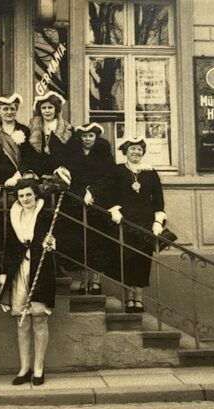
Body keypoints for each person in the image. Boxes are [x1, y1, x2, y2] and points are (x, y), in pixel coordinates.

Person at [0, 178, 57, 386]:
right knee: (22, 321)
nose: (25, 199)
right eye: (21, 195)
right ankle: (24, 367)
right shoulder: (14, 215)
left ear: (36, 195)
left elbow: (58, 237)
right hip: (19, 271)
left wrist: (52, 242)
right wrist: (4, 274)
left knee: (39, 319)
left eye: (29, 195)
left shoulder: (47, 215)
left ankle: (39, 368)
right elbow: (9, 246)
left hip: (40, 270)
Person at [108, 137, 166, 313]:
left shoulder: (150, 172)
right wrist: (114, 209)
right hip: (124, 222)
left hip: (145, 222)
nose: (136, 152)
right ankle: (128, 299)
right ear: (126, 151)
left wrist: (157, 221)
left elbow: (158, 200)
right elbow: (109, 192)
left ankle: (138, 299)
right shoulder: (118, 171)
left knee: (142, 259)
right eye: (132, 149)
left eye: (139, 149)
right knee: (126, 259)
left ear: (143, 152)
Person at [60, 123, 116, 294]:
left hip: (97, 203)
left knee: (96, 240)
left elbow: (109, 176)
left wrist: (92, 191)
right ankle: (84, 280)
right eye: (84, 136)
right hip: (76, 201)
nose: (87, 139)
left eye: (91, 136)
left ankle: (96, 280)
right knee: (80, 240)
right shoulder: (74, 152)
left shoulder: (103, 152)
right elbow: (68, 172)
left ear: (96, 137)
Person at [0, 93, 36, 192]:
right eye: (5, 109)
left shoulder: (24, 130)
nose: (9, 112)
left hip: (19, 183)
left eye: (12, 109)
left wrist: (16, 178)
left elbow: (28, 158)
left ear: (16, 110)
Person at [28, 91, 73, 181]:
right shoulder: (32, 128)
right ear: (40, 110)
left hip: (58, 174)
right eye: (44, 108)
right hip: (37, 174)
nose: (47, 111)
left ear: (56, 109)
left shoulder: (67, 129)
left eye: (50, 107)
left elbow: (70, 154)